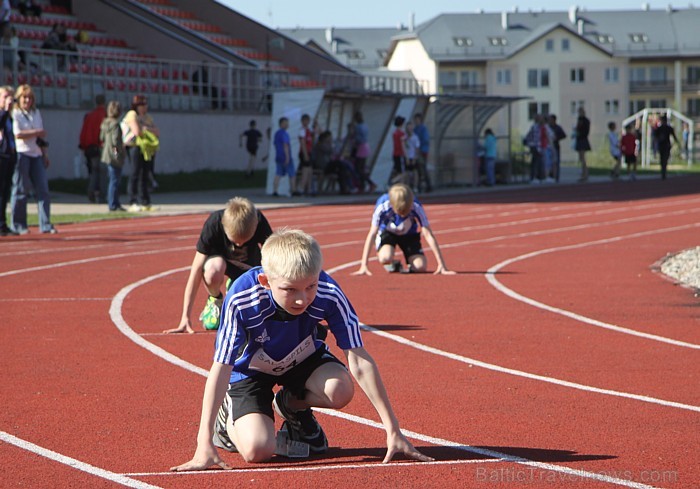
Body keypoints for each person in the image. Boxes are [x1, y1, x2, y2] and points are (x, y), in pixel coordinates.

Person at [170, 229, 433, 470]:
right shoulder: (241, 298)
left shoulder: (328, 293)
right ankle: (227, 418)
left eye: (310, 286)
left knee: (340, 389)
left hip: (302, 360)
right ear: (265, 281)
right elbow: (222, 366)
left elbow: (359, 359)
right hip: (251, 371)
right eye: (289, 289)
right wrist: (202, 441)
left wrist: (393, 429)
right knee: (258, 451)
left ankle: (289, 404)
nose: (302, 299)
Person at [164, 197, 272, 334]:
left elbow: (273, 261)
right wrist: (185, 316)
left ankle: (237, 286)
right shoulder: (214, 223)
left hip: (250, 268)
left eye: (245, 240)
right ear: (224, 227)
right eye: (235, 240)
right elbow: (196, 270)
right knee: (212, 270)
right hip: (220, 263)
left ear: (255, 226)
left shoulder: (258, 221)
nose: (239, 245)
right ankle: (215, 299)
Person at [353, 183, 455, 275]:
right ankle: (393, 263)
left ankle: (411, 263)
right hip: (388, 233)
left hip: (409, 234)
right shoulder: (383, 205)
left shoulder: (416, 206)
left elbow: (428, 233)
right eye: (400, 212)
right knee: (385, 257)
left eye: (406, 211)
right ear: (392, 205)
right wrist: (364, 265)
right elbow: (372, 233)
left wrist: (441, 264)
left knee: (420, 267)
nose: (403, 215)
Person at [10, 84, 56, 234]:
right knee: (21, 190)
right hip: (22, 153)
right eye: (24, 97)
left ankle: (45, 224)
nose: (27, 100)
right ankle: (19, 225)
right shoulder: (15, 113)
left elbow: (41, 138)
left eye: (30, 97)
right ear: (19, 98)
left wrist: (45, 153)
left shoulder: (36, 113)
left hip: (36, 154)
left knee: (43, 190)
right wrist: (36, 132)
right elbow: (18, 134)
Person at [123, 94, 159, 211]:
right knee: (135, 173)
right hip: (134, 146)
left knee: (145, 173)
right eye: (142, 105)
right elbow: (137, 131)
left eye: (145, 104)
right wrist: (147, 129)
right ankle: (132, 201)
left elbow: (157, 132)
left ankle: (145, 201)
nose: (144, 107)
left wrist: (147, 129)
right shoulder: (132, 115)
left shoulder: (147, 117)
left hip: (145, 148)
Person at [79, 94, 107, 203]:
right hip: (101, 147)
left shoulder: (90, 115)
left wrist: (83, 145)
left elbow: (84, 132)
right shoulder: (105, 115)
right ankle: (102, 195)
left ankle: (91, 191)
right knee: (103, 172)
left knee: (94, 171)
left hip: (90, 148)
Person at [99, 100, 126, 212]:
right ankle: (113, 204)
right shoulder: (115, 125)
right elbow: (115, 142)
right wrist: (117, 154)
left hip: (106, 153)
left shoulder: (104, 123)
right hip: (113, 154)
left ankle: (114, 202)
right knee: (115, 180)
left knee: (112, 179)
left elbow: (101, 138)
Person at [0, 85, 17, 236]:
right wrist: (5, 109)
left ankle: (2, 223)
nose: (9, 100)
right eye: (5, 97)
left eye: (10, 97)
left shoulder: (9, 117)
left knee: (5, 191)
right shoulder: (2, 115)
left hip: (8, 156)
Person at [272, 117, 299, 197]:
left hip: (278, 156)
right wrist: (287, 157)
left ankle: (275, 190)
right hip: (285, 156)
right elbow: (285, 145)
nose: (287, 124)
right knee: (292, 174)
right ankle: (293, 190)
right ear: (281, 124)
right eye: (285, 123)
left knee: (278, 173)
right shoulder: (284, 134)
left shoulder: (277, 133)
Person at [352, 111, 376, 193]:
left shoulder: (358, 127)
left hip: (361, 147)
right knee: (361, 168)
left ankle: (369, 183)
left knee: (358, 169)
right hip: (365, 146)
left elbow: (357, 138)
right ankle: (362, 186)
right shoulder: (365, 126)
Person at [654, 114, 678, 180]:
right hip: (663, 145)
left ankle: (663, 171)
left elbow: (673, 135)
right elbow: (656, 137)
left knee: (664, 159)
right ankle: (663, 172)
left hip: (666, 145)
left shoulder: (668, 128)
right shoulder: (659, 129)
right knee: (663, 159)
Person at [412, 113, 432, 193]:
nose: (416, 121)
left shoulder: (423, 129)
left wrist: (420, 147)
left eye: (417, 119)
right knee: (418, 169)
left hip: (422, 151)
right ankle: (420, 185)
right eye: (415, 120)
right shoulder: (415, 129)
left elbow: (425, 140)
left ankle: (428, 185)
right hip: (417, 152)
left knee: (423, 167)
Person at [296, 114, 314, 196]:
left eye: (308, 120)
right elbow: (302, 142)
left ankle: (309, 188)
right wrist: (305, 154)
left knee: (309, 171)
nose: (306, 122)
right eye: (305, 121)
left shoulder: (308, 130)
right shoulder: (302, 130)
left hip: (309, 152)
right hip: (304, 152)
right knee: (305, 171)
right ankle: (301, 188)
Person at [547, 114, 566, 182]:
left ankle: (556, 176)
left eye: (551, 119)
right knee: (549, 162)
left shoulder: (558, 127)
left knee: (556, 161)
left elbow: (564, 135)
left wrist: (557, 138)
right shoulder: (547, 127)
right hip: (548, 146)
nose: (549, 121)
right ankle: (550, 175)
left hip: (555, 146)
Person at [575, 107, 591, 182]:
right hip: (579, 139)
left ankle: (585, 173)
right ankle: (584, 173)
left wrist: (579, 133)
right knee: (581, 158)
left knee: (583, 157)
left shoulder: (585, 121)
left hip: (582, 139)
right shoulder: (579, 120)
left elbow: (586, 131)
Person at [390, 116, 407, 185]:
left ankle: (401, 186)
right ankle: (392, 181)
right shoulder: (402, 134)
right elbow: (403, 145)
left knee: (399, 171)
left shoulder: (394, 133)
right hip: (400, 154)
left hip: (395, 154)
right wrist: (406, 155)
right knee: (403, 173)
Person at [404, 121, 419, 190]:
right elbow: (404, 147)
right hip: (407, 156)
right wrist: (406, 157)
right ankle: (407, 186)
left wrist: (415, 158)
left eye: (410, 127)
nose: (409, 128)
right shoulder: (405, 137)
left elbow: (417, 148)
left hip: (413, 156)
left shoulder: (415, 137)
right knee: (407, 172)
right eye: (408, 127)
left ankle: (415, 186)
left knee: (415, 171)